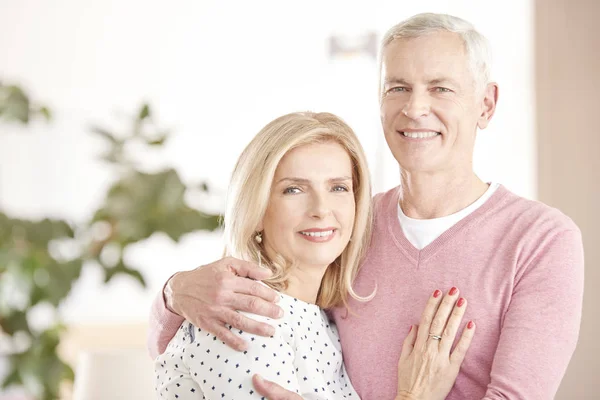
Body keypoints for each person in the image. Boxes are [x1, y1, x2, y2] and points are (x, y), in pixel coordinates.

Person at [149, 13, 585, 400]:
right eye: (398, 87)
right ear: (380, 102)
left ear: (485, 104)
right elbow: (184, 359)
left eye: (440, 88)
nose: (415, 108)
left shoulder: (541, 240)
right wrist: (172, 295)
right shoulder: (346, 227)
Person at [153, 111, 475, 400]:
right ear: (258, 209)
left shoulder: (320, 320)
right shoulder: (247, 317)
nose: (321, 210)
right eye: (294, 189)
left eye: (338, 187)